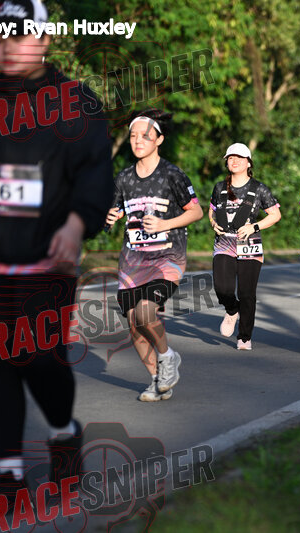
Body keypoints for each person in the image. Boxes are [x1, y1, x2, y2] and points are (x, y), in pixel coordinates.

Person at [0, 0, 114, 512]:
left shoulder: (76, 103)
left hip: (46, 259)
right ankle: (9, 476)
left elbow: (94, 173)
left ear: (45, 39)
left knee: (41, 359)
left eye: (20, 35)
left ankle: (63, 433)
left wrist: (76, 225)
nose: (7, 46)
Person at [104, 110, 203, 402]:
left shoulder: (172, 174)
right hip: (132, 261)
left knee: (146, 312)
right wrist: (110, 217)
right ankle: (157, 380)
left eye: (145, 136)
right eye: (133, 136)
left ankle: (168, 356)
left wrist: (164, 224)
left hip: (167, 258)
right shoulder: (123, 178)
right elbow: (115, 210)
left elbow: (196, 211)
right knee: (134, 323)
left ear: (159, 140)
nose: (138, 141)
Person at [209, 143, 281, 350]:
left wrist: (254, 226)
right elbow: (211, 210)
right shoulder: (219, 187)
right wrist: (213, 222)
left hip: (250, 243)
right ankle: (232, 310)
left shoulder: (259, 188)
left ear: (248, 162)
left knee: (247, 293)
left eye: (239, 158)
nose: (234, 161)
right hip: (224, 242)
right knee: (222, 288)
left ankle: (244, 336)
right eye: (230, 158)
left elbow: (275, 215)